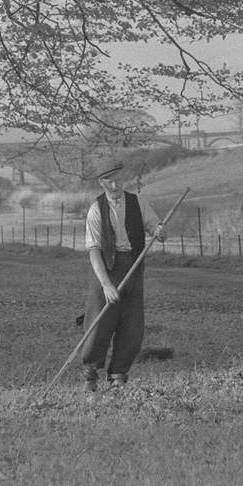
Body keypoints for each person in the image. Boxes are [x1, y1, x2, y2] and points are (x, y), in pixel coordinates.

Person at [80, 162, 167, 392]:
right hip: (107, 268)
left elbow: (155, 226)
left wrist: (159, 231)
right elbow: (94, 251)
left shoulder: (138, 202)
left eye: (119, 179)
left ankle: (118, 374)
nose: (116, 185)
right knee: (100, 323)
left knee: (132, 324)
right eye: (110, 181)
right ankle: (90, 373)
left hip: (134, 266)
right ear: (102, 182)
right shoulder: (96, 209)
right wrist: (107, 285)